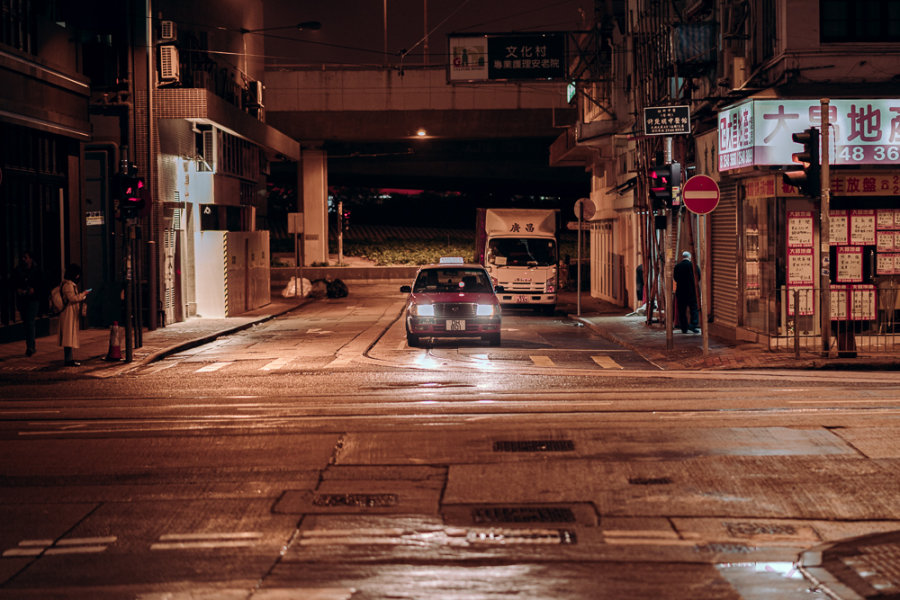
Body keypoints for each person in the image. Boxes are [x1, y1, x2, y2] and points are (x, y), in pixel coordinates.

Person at [58, 263, 90, 367]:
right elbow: (72, 298)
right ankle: (68, 360)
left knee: (69, 337)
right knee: (68, 337)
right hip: (68, 314)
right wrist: (83, 294)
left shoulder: (68, 284)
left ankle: (69, 359)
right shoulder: (68, 285)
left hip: (70, 313)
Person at [13, 251, 43, 356]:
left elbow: (41, 284)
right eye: (22, 257)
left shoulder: (36, 270)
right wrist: (19, 290)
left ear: (30, 259)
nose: (23, 260)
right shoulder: (18, 270)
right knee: (26, 322)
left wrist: (34, 290)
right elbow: (13, 283)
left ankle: (30, 347)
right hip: (22, 299)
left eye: (25, 257)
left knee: (30, 322)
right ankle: (30, 345)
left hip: (33, 300)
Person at [673, 251, 699, 333]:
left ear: (683, 257)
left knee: (682, 310)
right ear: (689, 257)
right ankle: (693, 325)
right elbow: (698, 277)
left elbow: (675, 278)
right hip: (692, 291)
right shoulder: (694, 266)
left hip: (681, 292)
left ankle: (684, 328)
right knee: (694, 309)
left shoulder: (677, 266)